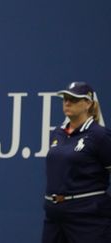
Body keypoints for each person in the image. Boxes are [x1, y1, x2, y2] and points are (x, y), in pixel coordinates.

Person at [42, 82, 111, 243]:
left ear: (88, 103)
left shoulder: (100, 135)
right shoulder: (57, 133)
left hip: (87, 217)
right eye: (65, 98)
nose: (67, 102)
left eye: (73, 99)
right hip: (54, 215)